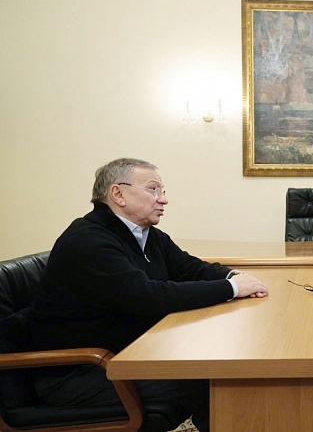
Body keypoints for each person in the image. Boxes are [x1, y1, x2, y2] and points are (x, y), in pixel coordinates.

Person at [26, 158, 269, 432]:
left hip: (125, 356)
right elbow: (149, 297)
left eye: (162, 191)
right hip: (79, 372)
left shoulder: (145, 234)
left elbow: (190, 268)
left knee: (213, 369)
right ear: (118, 194)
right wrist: (232, 288)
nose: (163, 199)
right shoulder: (88, 240)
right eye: (153, 190)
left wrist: (234, 276)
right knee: (211, 381)